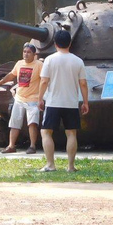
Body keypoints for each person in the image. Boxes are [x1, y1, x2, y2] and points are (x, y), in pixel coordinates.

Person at [38, 30, 89, 173]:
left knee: (46, 132)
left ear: (55, 44)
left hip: (53, 101)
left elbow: (44, 81)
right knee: (71, 134)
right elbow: (83, 84)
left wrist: (40, 98)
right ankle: (71, 167)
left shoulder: (49, 59)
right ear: (70, 43)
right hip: (71, 103)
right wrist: (85, 102)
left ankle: (50, 165)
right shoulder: (78, 61)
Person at [0, 43, 44, 154]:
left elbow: (44, 80)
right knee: (14, 123)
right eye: (24, 52)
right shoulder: (19, 63)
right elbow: (11, 75)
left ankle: (32, 146)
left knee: (32, 123)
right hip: (19, 98)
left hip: (33, 99)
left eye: (29, 52)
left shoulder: (39, 65)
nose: (26, 54)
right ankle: (11, 145)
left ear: (34, 54)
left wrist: (41, 97)